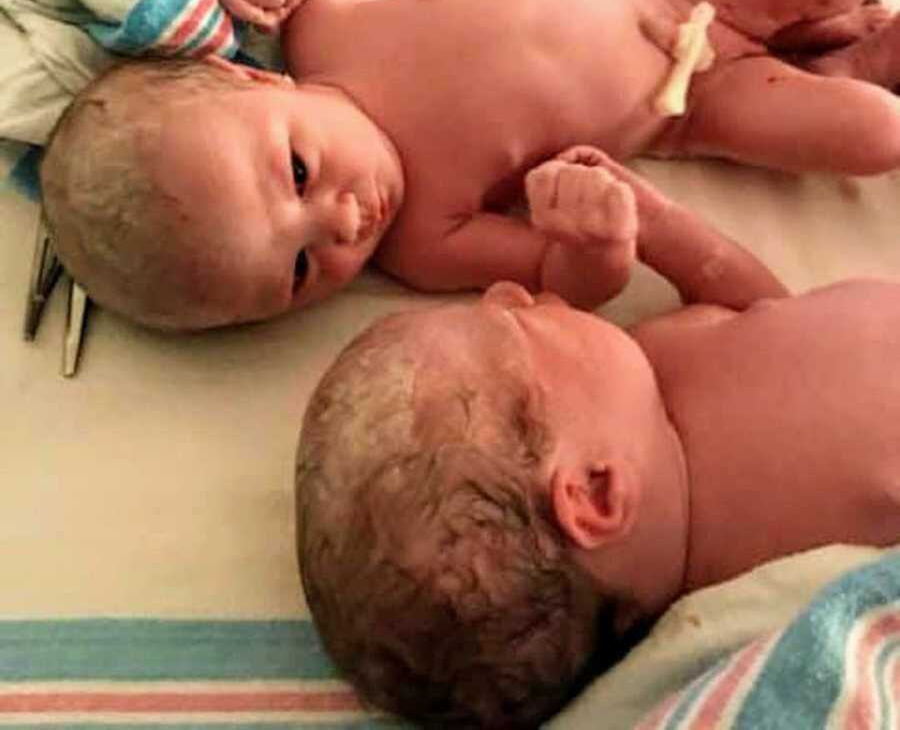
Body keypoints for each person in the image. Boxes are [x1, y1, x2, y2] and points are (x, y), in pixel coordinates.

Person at [40, 0, 900, 330]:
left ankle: (827, 27)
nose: (340, 222)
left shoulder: (317, 26)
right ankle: (845, 57)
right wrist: (595, 243)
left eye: (298, 174)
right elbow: (567, 281)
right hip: (687, 108)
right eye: (302, 269)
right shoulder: (422, 240)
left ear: (246, 78)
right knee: (875, 133)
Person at [295, 153, 900, 728]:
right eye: (518, 322)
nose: (507, 290)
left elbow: (763, 313)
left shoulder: (647, 375)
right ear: (594, 491)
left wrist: (658, 223)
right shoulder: (761, 581)